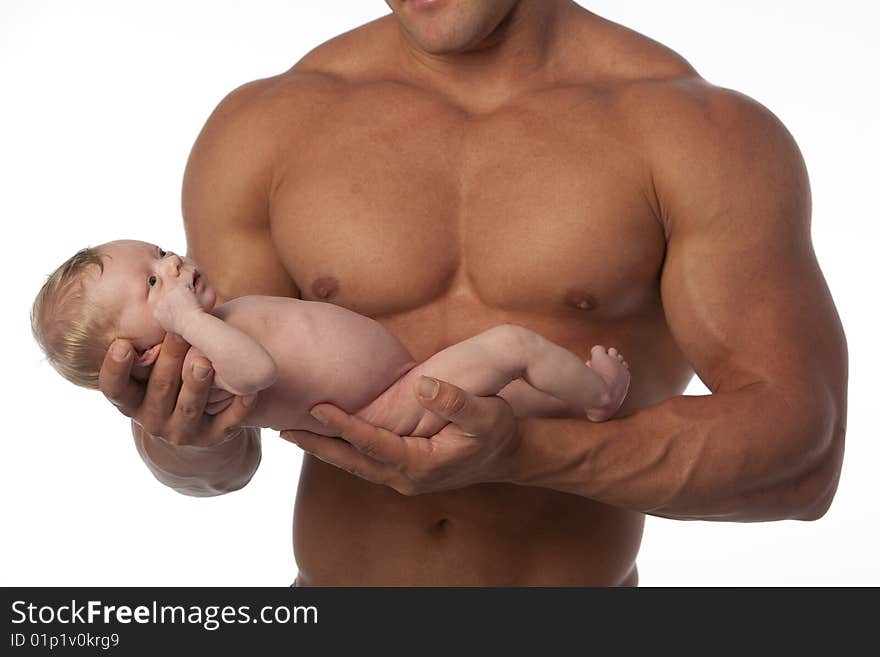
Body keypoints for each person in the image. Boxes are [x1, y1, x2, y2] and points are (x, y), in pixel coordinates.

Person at [97, 0, 848, 586]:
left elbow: (803, 460)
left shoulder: (695, 132)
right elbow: (224, 457)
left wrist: (526, 450)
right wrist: (180, 436)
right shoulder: (264, 129)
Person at [32, 239, 630, 435]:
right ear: (139, 354)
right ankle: (598, 392)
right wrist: (188, 321)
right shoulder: (205, 363)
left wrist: (187, 313)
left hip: (398, 381)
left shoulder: (214, 326)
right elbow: (257, 375)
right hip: (383, 412)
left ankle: (576, 405)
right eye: (154, 282)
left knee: (510, 395)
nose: (178, 264)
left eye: (163, 252)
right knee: (509, 347)